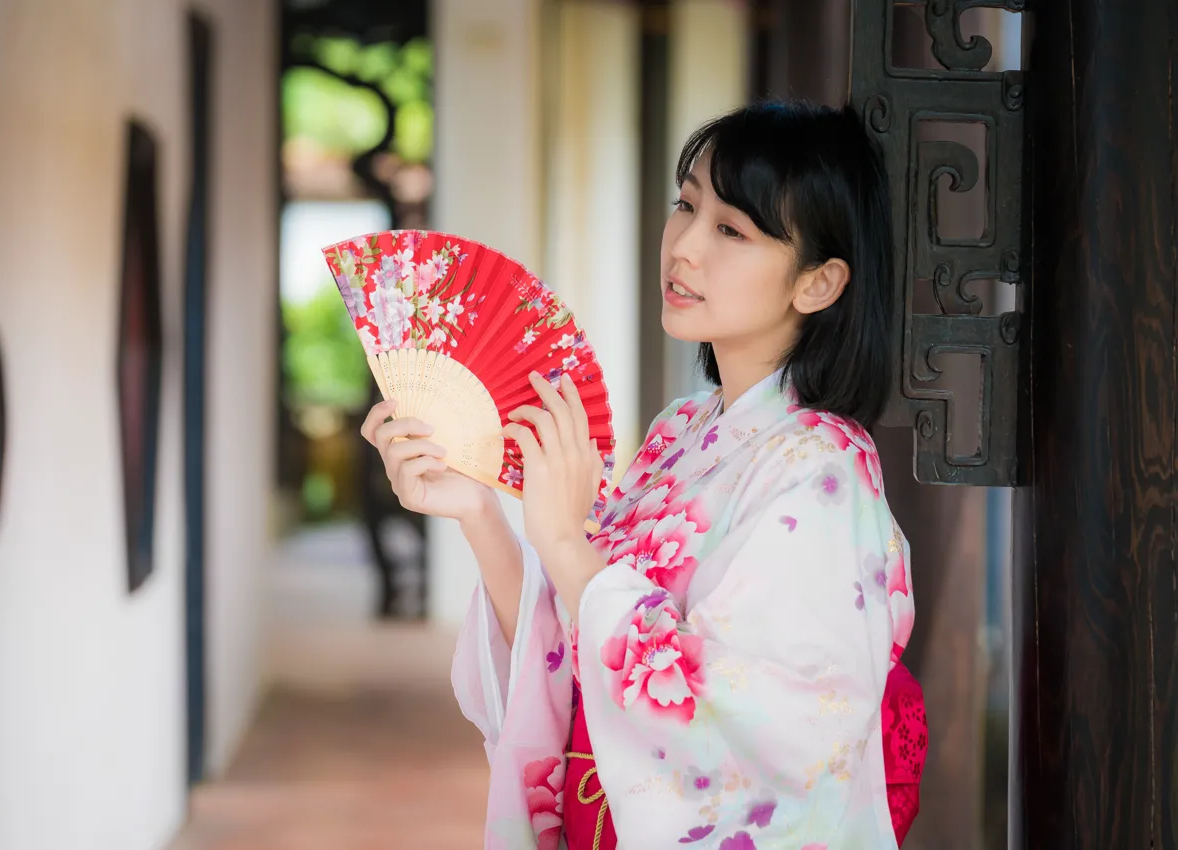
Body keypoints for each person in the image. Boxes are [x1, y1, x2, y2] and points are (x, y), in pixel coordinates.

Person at [360, 101, 927, 849]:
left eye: (732, 230)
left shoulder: (823, 471)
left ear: (818, 284)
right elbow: (571, 641)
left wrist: (567, 543)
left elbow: (764, 737)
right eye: (686, 205)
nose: (684, 246)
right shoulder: (679, 432)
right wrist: (479, 514)